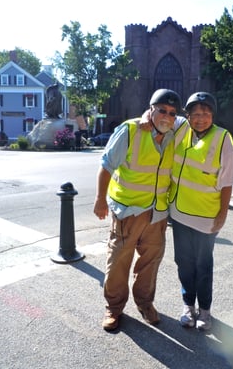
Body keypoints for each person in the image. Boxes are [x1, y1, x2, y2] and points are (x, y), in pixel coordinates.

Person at [93, 89, 182, 331]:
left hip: (157, 212)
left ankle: (145, 303)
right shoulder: (130, 130)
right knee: (119, 260)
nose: (167, 116)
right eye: (161, 110)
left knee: (150, 262)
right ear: (150, 109)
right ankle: (113, 307)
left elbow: (198, 119)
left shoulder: (175, 132)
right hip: (128, 211)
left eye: (172, 113)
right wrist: (100, 199)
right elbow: (106, 165)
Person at [169, 91, 233, 331]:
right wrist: (146, 116)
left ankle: (205, 311)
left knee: (203, 265)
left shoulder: (222, 138)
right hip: (178, 214)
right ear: (187, 116)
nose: (200, 118)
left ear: (212, 115)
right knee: (183, 262)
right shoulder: (180, 130)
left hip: (207, 217)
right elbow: (157, 113)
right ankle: (188, 305)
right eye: (195, 114)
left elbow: (226, 182)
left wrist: (222, 214)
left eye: (206, 113)